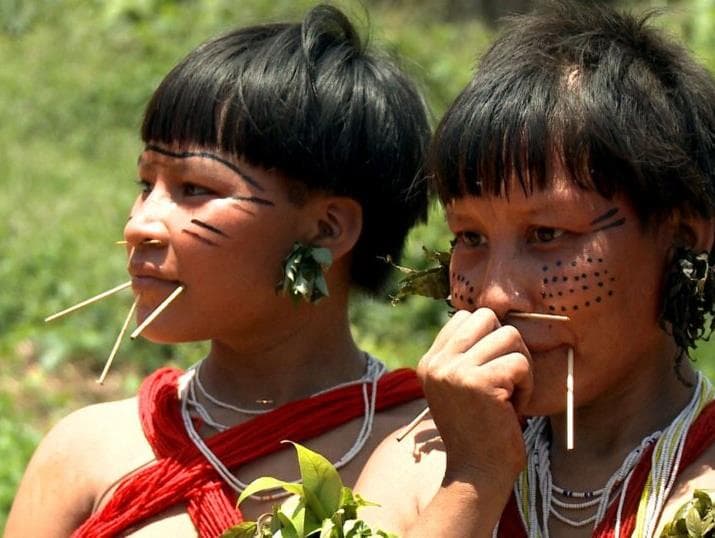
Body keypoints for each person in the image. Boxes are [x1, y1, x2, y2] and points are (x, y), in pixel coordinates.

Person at [6, 5, 430, 537]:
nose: (140, 224)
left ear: (326, 229)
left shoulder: (427, 455)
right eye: (146, 185)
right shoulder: (85, 454)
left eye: (195, 189)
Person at [355, 1, 715, 537]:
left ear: (682, 237)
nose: (495, 296)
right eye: (470, 238)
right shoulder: (419, 469)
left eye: (547, 235)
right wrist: (475, 478)